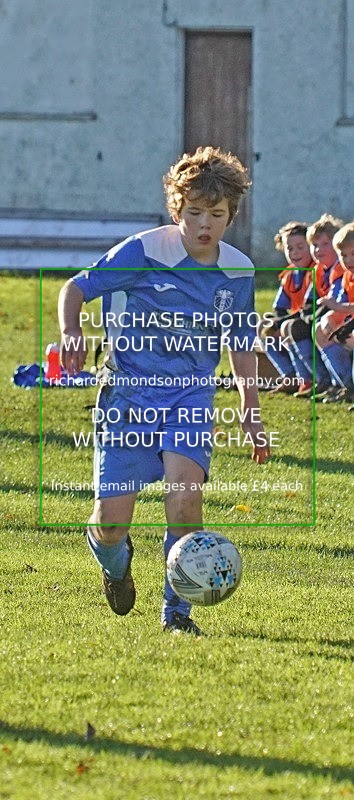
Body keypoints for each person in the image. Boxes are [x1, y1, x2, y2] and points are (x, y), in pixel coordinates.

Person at [58, 145, 270, 636]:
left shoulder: (236, 271)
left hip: (188, 399)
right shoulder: (145, 251)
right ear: (177, 210)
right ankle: (116, 564)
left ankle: (177, 614)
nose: (204, 224)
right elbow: (76, 287)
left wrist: (251, 412)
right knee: (110, 522)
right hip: (129, 398)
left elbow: (240, 344)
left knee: (185, 502)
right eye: (194, 212)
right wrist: (72, 331)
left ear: (230, 216)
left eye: (216, 215)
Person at [279, 214, 344, 398]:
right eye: (315, 245)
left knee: (308, 328)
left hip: (341, 321)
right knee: (289, 326)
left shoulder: (341, 269)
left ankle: (339, 382)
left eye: (325, 244)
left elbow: (335, 302)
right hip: (327, 319)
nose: (318, 249)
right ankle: (309, 379)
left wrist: (312, 317)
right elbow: (310, 304)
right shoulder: (317, 270)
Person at [258, 221, 314, 393]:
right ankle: (289, 376)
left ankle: (309, 379)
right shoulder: (289, 274)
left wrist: (281, 323)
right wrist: (275, 322)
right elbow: (279, 308)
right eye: (290, 248)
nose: (295, 252)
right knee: (263, 326)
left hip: (310, 321)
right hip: (295, 321)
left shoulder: (316, 270)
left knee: (287, 327)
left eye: (300, 247)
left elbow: (310, 308)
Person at [315, 221, 354, 402]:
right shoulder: (346, 276)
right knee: (320, 330)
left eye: (353, 254)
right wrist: (332, 318)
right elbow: (339, 304)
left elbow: (340, 306)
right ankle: (345, 385)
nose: (349, 261)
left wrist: (338, 309)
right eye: (344, 255)